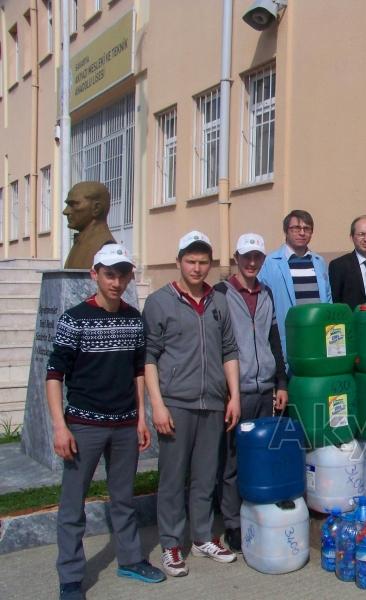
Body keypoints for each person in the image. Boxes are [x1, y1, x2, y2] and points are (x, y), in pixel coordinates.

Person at [47, 244, 165, 600]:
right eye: (110, 274)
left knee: (124, 498)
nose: (116, 282)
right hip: (84, 426)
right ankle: (70, 576)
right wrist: (59, 425)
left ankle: (129, 559)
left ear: (130, 276)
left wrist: (141, 417)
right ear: (94, 274)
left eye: (123, 274)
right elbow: (54, 374)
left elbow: (137, 371)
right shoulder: (74, 318)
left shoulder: (133, 318)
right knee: (73, 504)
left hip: (125, 426)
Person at [143, 231, 241, 577]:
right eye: (191, 261)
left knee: (205, 476)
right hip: (176, 403)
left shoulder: (219, 301)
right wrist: (157, 404)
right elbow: (150, 356)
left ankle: (201, 536)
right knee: (172, 477)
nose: (197, 268)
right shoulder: (159, 302)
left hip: (213, 402)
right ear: (179, 262)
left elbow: (229, 350)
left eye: (203, 262)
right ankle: (171, 542)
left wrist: (234, 397)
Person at [213, 233, 288, 552]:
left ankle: (257, 512)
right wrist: (227, 391)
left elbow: (274, 340)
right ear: (236, 258)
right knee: (231, 460)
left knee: (261, 457)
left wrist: (281, 383)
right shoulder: (220, 293)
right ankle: (231, 522)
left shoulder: (266, 292)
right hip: (236, 391)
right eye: (246, 256)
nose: (252, 262)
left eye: (257, 256)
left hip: (264, 388)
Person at [258, 210, 332, 357]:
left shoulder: (319, 262)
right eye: (296, 228)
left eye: (307, 229)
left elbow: (328, 299)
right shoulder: (270, 263)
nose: (302, 233)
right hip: (287, 339)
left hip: (317, 338)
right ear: (286, 231)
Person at [329, 215, 366, 309]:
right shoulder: (338, 266)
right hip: (352, 321)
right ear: (352, 237)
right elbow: (336, 302)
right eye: (361, 234)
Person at [62, 181, 117, 269]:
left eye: (74, 204)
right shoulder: (81, 242)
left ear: (96, 208)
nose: (65, 211)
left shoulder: (105, 248)